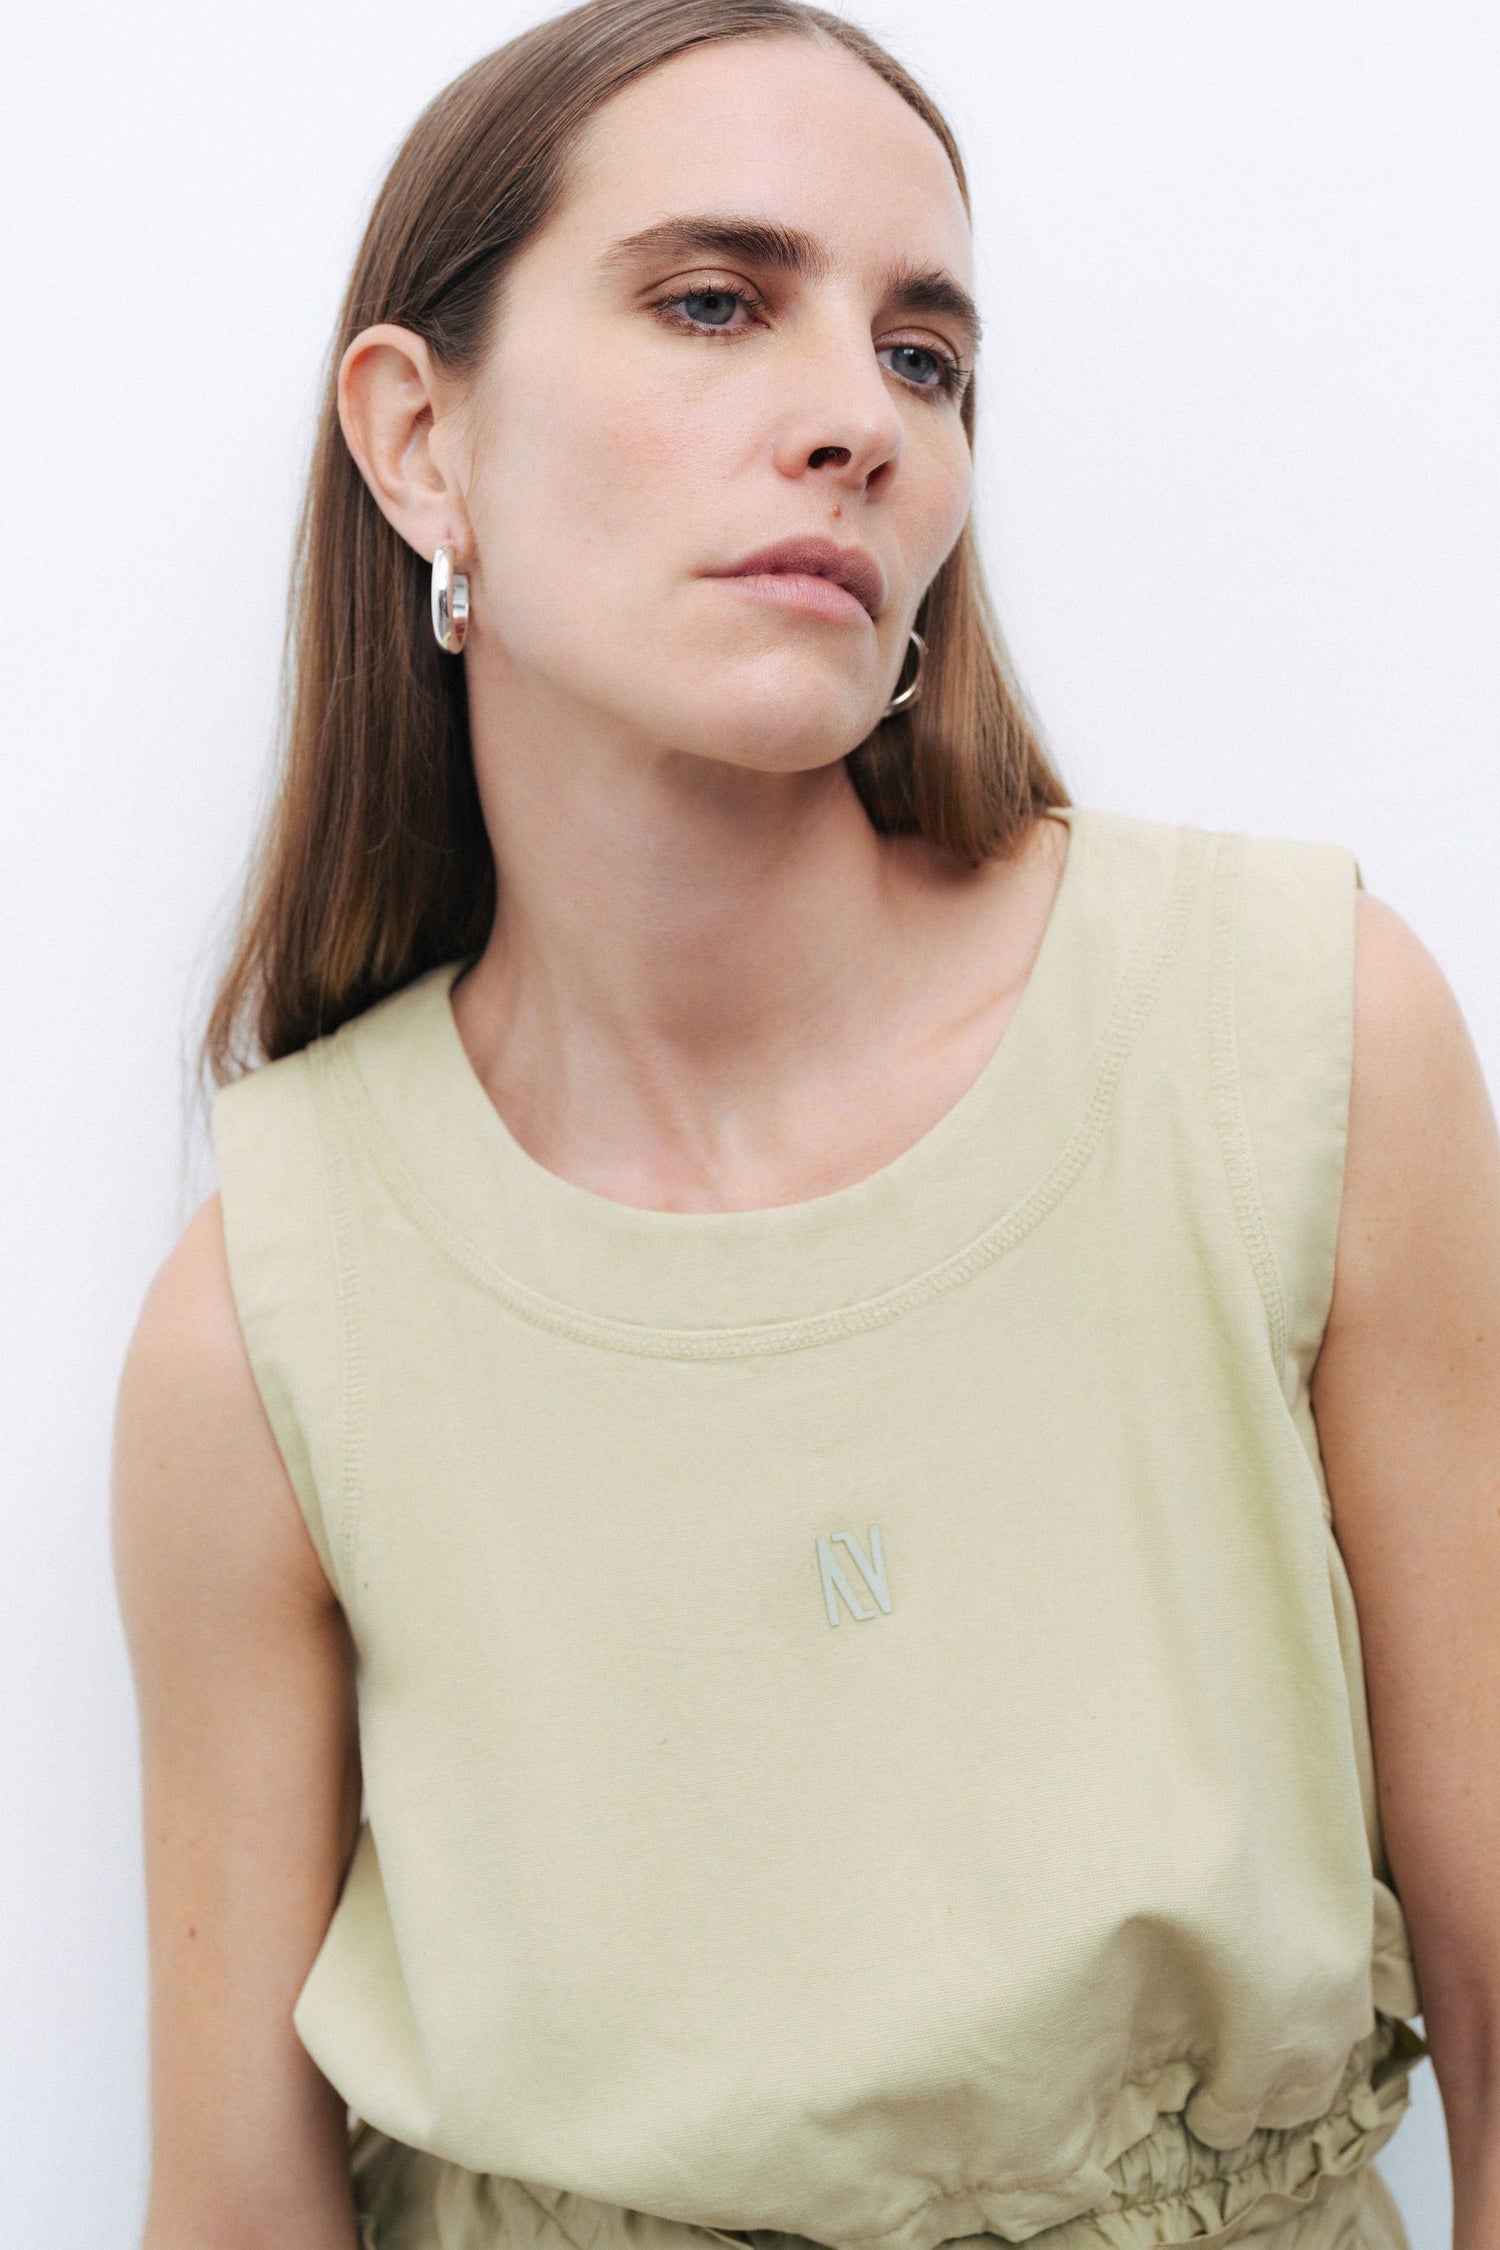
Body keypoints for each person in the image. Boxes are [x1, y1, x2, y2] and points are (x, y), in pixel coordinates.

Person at [110, 3, 1500, 2247]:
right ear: (420, 442)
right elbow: (234, 2208)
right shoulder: (269, 1321)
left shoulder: (1296, 1041)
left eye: (925, 357)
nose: (860, 416)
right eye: (712, 302)